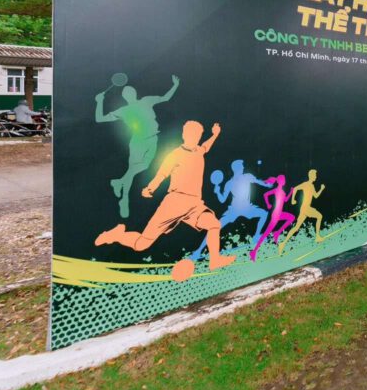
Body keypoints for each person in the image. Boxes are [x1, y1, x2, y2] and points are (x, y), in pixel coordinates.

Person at [95, 121, 235, 272]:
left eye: (197, 135)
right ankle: (116, 236)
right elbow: (161, 174)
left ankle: (215, 261)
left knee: (213, 224)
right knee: (142, 244)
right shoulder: (175, 155)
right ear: (184, 135)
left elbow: (206, 147)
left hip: (194, 204)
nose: (195, 138)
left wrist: (215, 135)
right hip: (174, 203)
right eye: (192, 134)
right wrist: (150, 188)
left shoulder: (198, 151)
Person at [95, 75, 179, 218]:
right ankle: (124, 200)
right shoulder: (124, 110)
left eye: (131, 92)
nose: (130, 94)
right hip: (139, 141)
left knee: (144, 166)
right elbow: (99, 119)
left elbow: (165, 98)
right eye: (127, 93)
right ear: (125, 97)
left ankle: (119, 182)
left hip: (153, 138)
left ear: (134, 93)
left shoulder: (146, 101)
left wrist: (175, 85)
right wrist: (99, 101)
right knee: (132, 169)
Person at [189, 159, 270, 261]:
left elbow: (260, 182)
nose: (243, 167)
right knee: (215, 227)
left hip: (247, 208)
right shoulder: (230, 183)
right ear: (237, 169)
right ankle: (198, 251)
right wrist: (218, 192)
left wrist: (268, 184)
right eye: (241, 166)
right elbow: (222, 200)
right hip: (234, 210)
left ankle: (256, 236)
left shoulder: (247, 177)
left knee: (263, 214)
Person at [249, 175, 295, 261]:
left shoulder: (282, 191)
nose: (285, 181)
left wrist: (291, 192)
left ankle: (277, 232)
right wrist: (268, 204)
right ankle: (254, 251)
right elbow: (265, 195)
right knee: (266, 233)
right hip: (276, 214)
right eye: (283, 180)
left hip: (280, 213)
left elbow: (285, 200)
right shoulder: (276, 190)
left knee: (291, 217)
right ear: (280, 182)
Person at [280, 169, 327, 254]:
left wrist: (321, 189)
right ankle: (317, 237)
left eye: (316, 175)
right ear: (311, 176)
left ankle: (283, 243)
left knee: (296, 227)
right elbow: (295, 188)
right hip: (306, 208)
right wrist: (293, 200)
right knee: (319, 216)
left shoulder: (311, 186)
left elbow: (316, 196)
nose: (316, 177)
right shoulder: (306, 184)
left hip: (304, 208)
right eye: (315, 175)